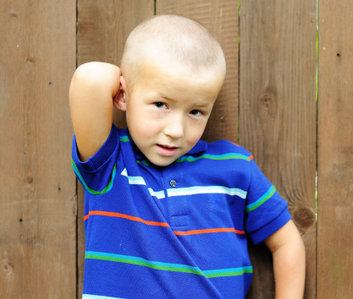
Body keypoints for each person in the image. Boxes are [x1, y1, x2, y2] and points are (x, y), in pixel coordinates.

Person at [70, 15, 305, 298]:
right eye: (160, 104)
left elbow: (287, 242)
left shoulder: (235, 168)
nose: (176, 130)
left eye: (196, 111)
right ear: (121, 95)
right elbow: (89, 79)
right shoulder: (109, 163)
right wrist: (131, 83)